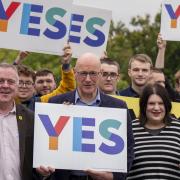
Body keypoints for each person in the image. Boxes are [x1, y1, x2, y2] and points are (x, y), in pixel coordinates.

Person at [39, 52, 134, 180]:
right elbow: (44, 146)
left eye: (93, 73)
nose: (88, 79)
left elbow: (128, 147)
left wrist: (113, 176)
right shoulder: (56, 103)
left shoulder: (118, 106)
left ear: (100, 74)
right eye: (83, 73)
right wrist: (42, 167)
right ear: (74, 73)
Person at [127, 83, 180, 179]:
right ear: (143, 105)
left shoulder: (178, 128)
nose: (156, 108)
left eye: (161, 103)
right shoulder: (130, 129)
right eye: (151, 103)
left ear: (167, 105)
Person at [0, 63, 36, 180]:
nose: (5, 85)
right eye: (1, 81)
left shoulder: (31, 118)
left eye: (10, 82)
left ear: (17, 85)